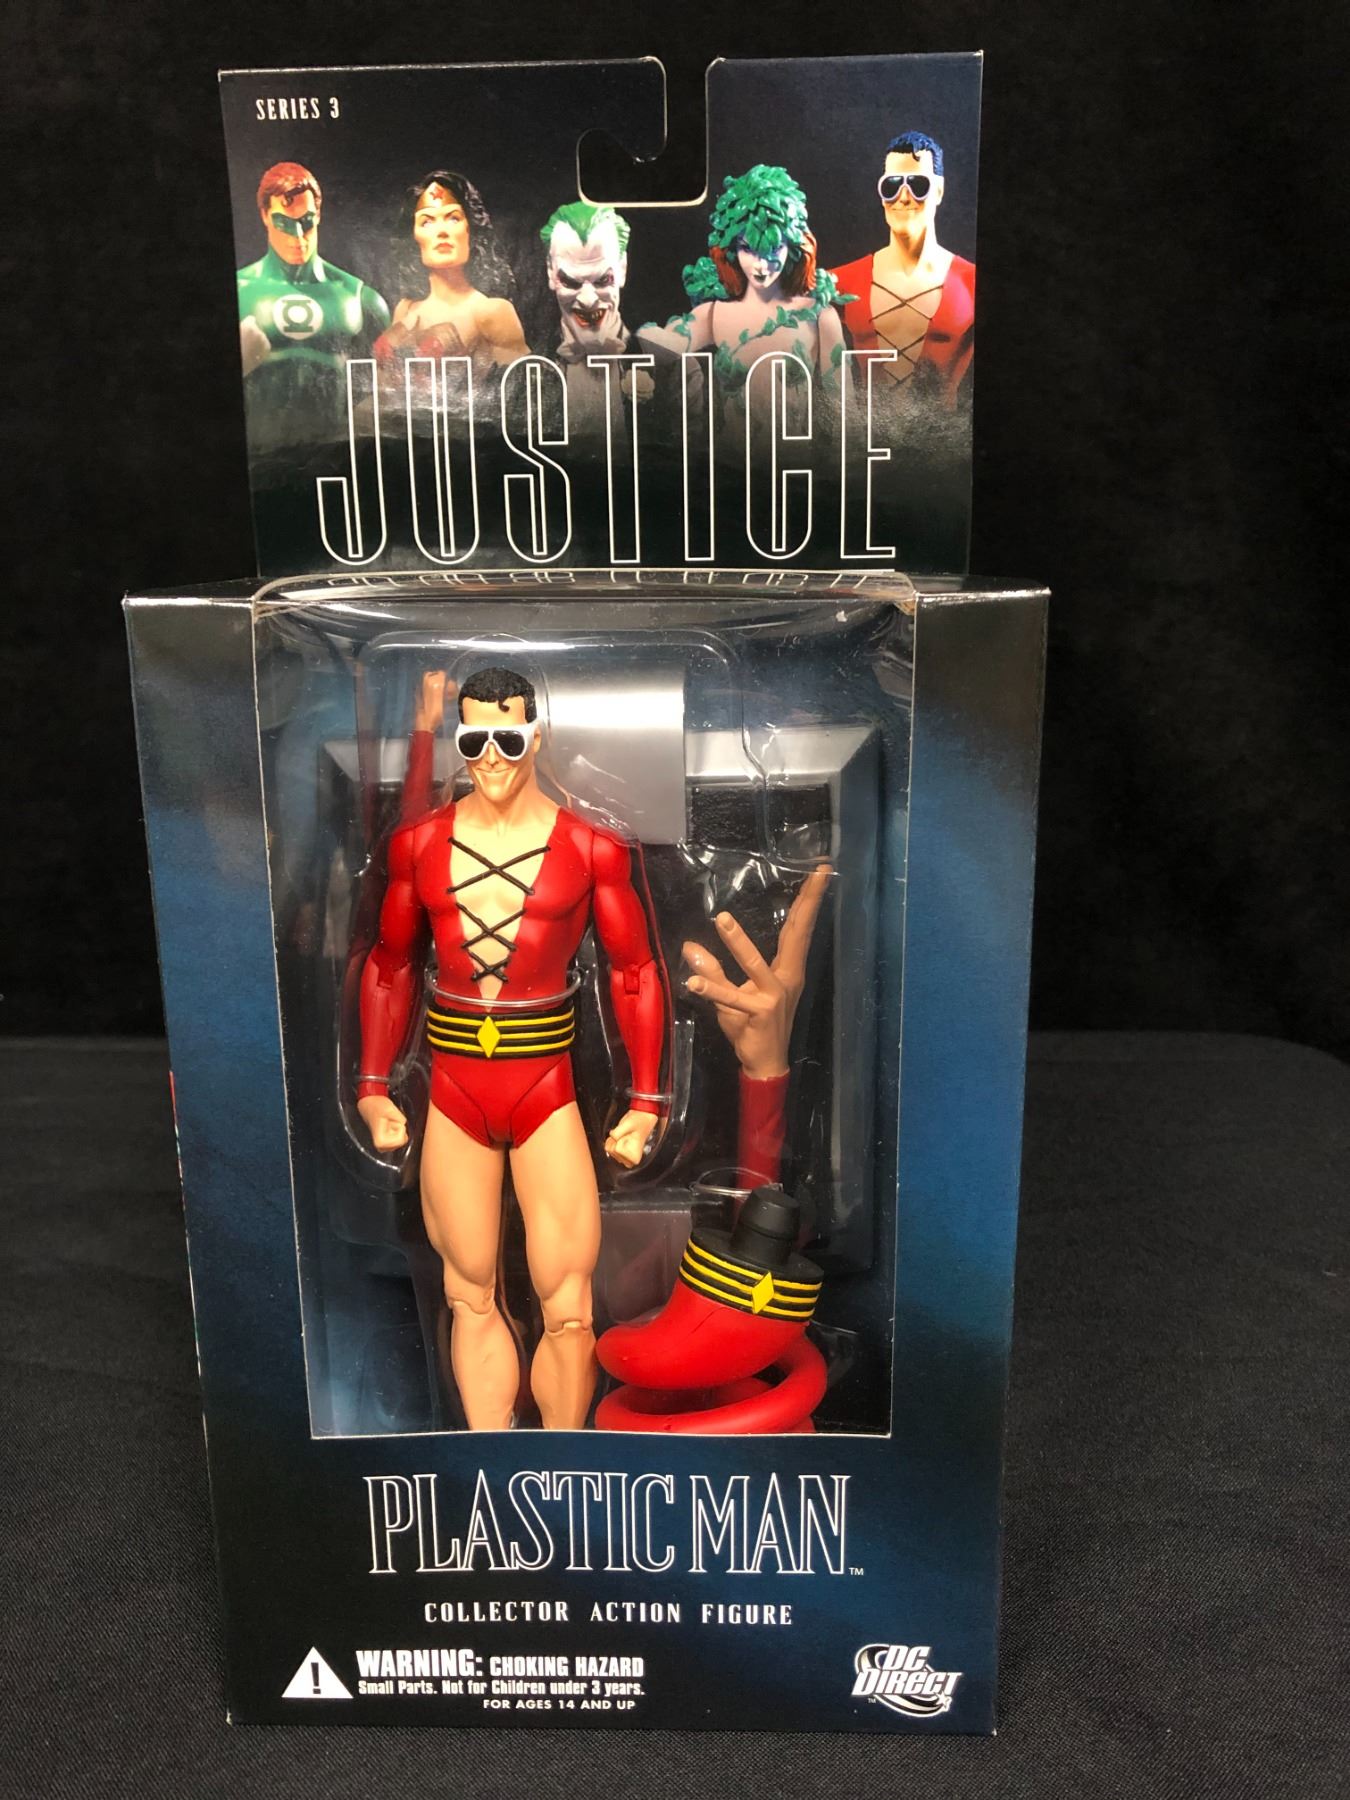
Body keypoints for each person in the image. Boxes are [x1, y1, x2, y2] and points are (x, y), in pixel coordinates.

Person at [355, 667, 666, 1431]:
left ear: (536, 737)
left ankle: (564, 1460)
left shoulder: (591, 847)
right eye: (474, 740)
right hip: (454, 1087)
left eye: (508, 737)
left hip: (546, 1086)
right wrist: (371, 1085)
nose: (491, 756)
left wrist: (647, 1100)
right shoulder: (421, 844)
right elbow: (391, 965)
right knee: (467, 1292)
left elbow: (634, 971)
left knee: (569, 1307)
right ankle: (489, 1458)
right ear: (459, 742)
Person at [638, 164, 846, 429]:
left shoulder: (819, 317)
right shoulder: (713, 314)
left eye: (774, 248)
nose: (761, 265)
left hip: (793, 454)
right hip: (730, 455)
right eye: (748, 249)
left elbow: (844, 413)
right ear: (731, 249)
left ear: (794, 246)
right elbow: (662, 344)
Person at [236, 163, 390, 439]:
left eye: (305, 221)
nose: (297, 236)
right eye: (284, 223)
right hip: (261, 457)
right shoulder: (239, 291)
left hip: (336, 454)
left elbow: (389, 395)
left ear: (318, 214)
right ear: (265, 216)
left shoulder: (360, 300)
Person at [830, 131, 975, 408]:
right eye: (892, 185)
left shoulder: (971, 282)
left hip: (942, 434)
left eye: (918, 184)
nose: (904, 196)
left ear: (939, 190)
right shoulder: (841, 282)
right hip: (868, 432)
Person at [373, 171, 529, 381]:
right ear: (414, 236)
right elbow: (385, 384)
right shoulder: (406, 308)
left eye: (453, 218)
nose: (442, 231)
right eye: (427, 222)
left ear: (470, 229)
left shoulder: (492, 312)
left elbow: (524, 386)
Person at [539, 200, 650, 428]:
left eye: (603, 280)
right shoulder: (526, 373)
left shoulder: (670, 369)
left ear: (622, 268)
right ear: (551, 272)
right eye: (571, 282)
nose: (588, 300)